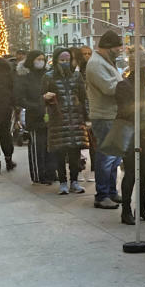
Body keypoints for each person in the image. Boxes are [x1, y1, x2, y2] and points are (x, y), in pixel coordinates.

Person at [115, 48, 145, 224]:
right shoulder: (124, 86)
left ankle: (142, 208)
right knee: (132, 173)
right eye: (144, 69)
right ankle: (126, 210)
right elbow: (126, 111)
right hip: (131, 134)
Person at [85, 31, 125, 209]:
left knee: (114, 157)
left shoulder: (106, 62)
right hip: (104, 115)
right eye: (117, 47)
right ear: (108, 48)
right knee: (106, 157)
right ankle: (102, 195)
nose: (120, 50)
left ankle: (110, 191)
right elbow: (109, 88)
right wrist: (127, 84)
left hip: (112, 114)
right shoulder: (95, 64)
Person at [43, 48, 89, 196]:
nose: (64, 63)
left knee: (75, 153)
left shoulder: (76, 77)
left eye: (67, 60)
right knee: (60, 153)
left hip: (75, 120)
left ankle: (74, 181)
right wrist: (46, 98)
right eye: (61, 60)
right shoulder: (48, 77)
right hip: (58, 120)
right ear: (56, 60)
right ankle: (63, 182)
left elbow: (84, 98)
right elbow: (41, 97)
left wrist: (87, 117)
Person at [15, 50, 55, 185]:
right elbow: (20, 99)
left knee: (50, 147)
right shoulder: (24, 78)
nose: (41, 61)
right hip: (35, 116)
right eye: (38, 59)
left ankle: (51, 172)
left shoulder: (48, 76)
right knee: (38, 147)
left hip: (50, 115)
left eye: (43, 59)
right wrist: (40, 101)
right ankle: (39, 174)